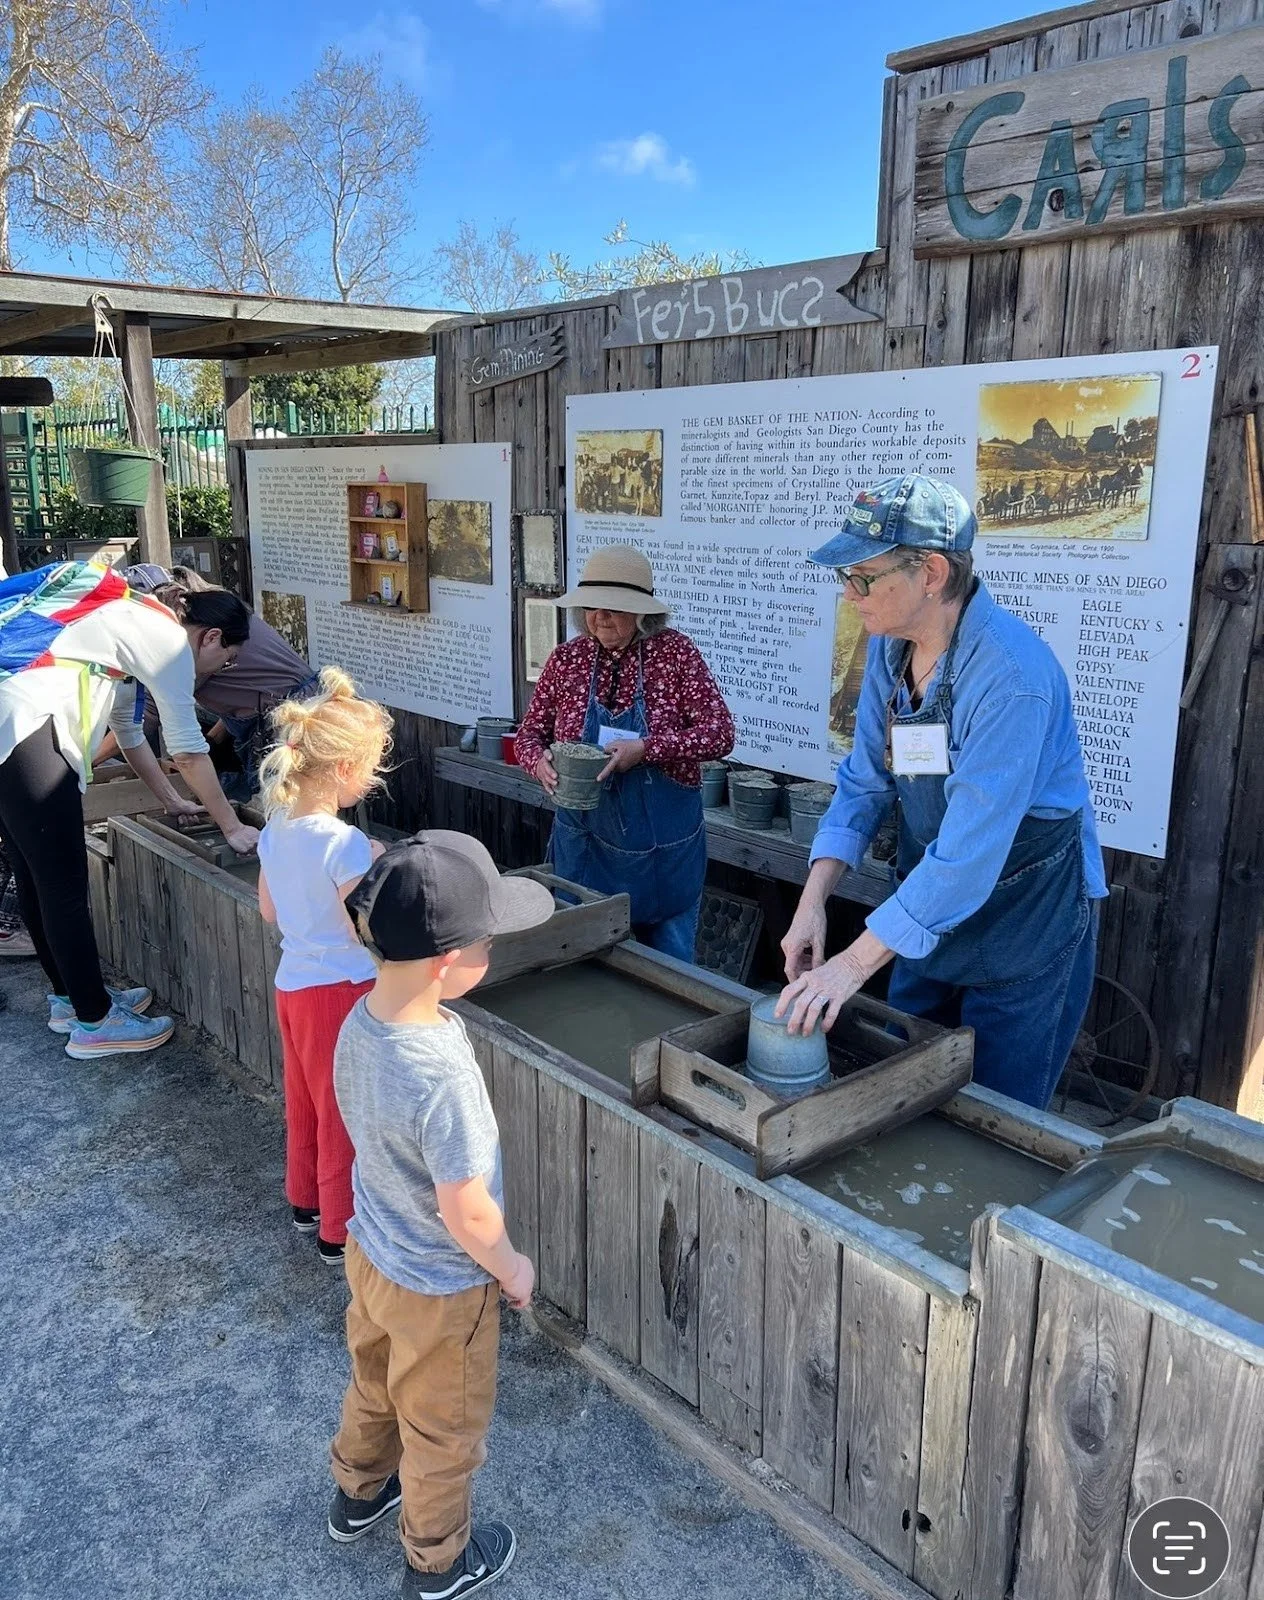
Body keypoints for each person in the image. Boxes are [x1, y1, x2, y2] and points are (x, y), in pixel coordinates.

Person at [777, 476, 1106, 1110]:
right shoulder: (889, 651)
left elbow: (968, 856)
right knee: (902, 1075)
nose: (849, 594)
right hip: (928, 899)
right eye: (843, 577)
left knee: (996, 1116)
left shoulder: (1013, 679)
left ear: (930, 571)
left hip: (1023, 914)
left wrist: (849, 967)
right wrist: (813, 900)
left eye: (863, 578)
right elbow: (865, 781)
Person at [327, 830, 554, 1598]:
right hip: (442, 1288)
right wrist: (512, 1266)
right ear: (449, 962)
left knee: (374, 1380)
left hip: (374, 1253)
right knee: (442, 1429)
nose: (495, 950)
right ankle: (437, 1560)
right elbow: (467, 1211)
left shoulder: (361, 1022)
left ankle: (357, 1493)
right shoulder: (442, 1071)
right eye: (489, 939)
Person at [0, 561, 258, 1059]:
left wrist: (171, 800)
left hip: (11, 721)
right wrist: (231, 825)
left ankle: (71, 1000)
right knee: (63, 885)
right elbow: (187, 748)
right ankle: (96, 1023)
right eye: (227, 660)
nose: (220, 671)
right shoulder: (166, 642)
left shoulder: (124, 628)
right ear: (210, 637)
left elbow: (131, 735)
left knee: (34, 874)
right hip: (25, 723)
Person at [515, 544, 734, 963]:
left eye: (614, 608)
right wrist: (538, 763)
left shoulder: (675, 654)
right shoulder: (568, 659)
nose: (601, 618)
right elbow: (529, 735)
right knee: (578, 955)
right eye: (593, 608)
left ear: (643, 613)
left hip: (663, 844)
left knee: (669, 964)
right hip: (585, 839)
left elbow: (720, 734)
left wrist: (648, 749)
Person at [256, 669, 392, 1268]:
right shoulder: (344, 843)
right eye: (370, 767)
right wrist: (380, 868)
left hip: (292, 985)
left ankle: (303, 1199)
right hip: (341, 988)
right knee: (343, 1108)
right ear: (342, 770)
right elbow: (367, 924)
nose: (372, 778)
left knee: (304, 1099)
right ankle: (338, 1230)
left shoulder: (277, 828)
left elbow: (269, 909)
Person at [121, 564, 317, 798]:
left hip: (294, 723)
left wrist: (86, 764)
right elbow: (244, 691)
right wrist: (213, 739)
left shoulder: (206, 637)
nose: (228, 664)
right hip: (276, 718)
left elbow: (138, 723)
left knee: (288, 807)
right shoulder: (216, 622)